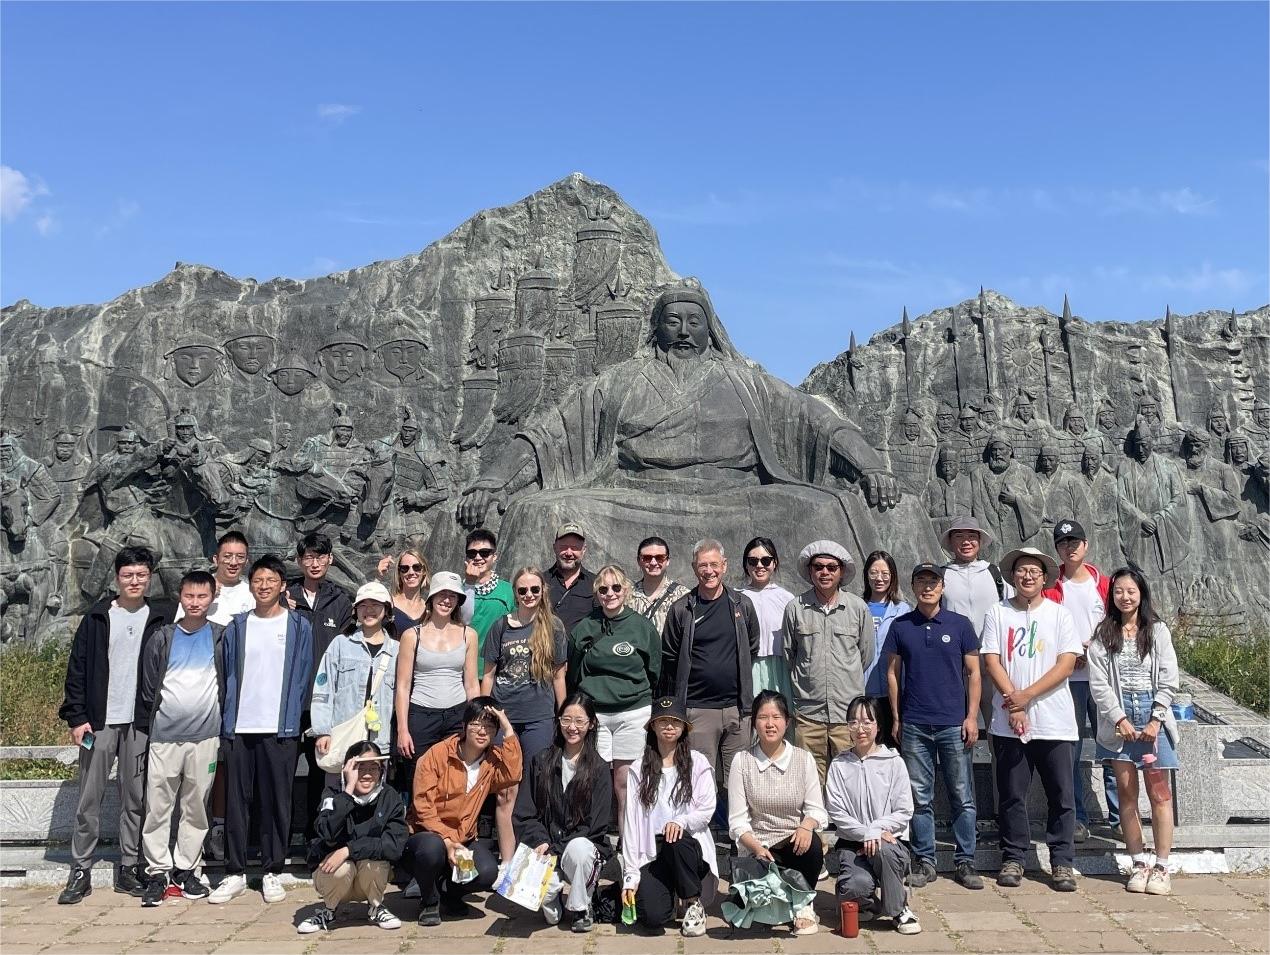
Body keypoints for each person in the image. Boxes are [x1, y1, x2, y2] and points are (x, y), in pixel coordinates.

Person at [58, 546, 176, 904]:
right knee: (89, 797)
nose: (134, 581)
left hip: (140, 723)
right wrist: (77, 718)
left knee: (135, 798)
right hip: (99, 724)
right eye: (128, 575)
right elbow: (77, 669)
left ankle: (129, 866)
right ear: (117, 578)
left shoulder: (161, 616)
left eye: (141, 575)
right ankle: (81, 869)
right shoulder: (97, 617)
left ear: (150, 577)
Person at [209, 554, 315, 905]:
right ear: (250, 585)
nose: (264, 586)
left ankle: (272, 870)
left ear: (283, 585)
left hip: (280, 727)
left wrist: (296, 718)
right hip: (239, 726)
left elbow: (303, 675)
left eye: (271, 580)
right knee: (237, 801)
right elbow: (225, 673)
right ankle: (235, 872)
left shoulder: (299, 626)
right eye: (258, 580)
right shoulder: (237, 627)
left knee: (276, 801)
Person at [981, 547, 1081, 892]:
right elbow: (992, 660)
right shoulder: (997, 612)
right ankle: (1013, 857)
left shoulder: (1059, 614)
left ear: (1044, 578)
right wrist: (1015, 704)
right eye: (1021, 570)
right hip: (1009, 723)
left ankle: (1062, 861)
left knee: (1061, 796)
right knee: (1011, 795)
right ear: (1012, 575)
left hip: (1054, 721)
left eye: (1034, 572)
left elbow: (1066, 664)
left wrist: (1026, 696)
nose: (1027, 576)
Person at [884, 563, 983, 890]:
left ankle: (965, 861)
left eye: (933, 582)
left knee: (962, 795)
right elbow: (893, 674)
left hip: (953, 723)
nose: (928, 587)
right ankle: (925, 861)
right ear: (913, 586)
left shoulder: (960, 624)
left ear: (942, 587)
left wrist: (971, 717)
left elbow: (974, 673)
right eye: (921, 581)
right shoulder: (901, 626)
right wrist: (897, 717)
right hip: (915, 723)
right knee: (919, 797)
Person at [1088, 567, 1180, 896]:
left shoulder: (1157, 630)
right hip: (1120, 720)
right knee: (1127, 795)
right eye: (1118, 592)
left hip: (1152, 714)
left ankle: (1162, 866)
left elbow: (1169, 677)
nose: (1124, 597)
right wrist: (1118, 718)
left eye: (1131, 591)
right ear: (1111, 596)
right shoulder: (1103, 634)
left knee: (1160, 794)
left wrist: (1156, 719)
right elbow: (1099, 684)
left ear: (1141, 594)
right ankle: (1138, 863)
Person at [137, 570, 224, 906]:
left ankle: (186, 869)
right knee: (158, 807)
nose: (195, 602)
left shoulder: (220, 637)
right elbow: (149, 688)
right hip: (165, 737)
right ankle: (157, 872)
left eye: (202, 596)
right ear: (180, 597)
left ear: (212, 598)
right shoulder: (163, 637)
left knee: (195, 807)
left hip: (205, 737)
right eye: (189, 596)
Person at [406, 698, 521, 926]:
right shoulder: (437, 754)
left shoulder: (492, 759)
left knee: (487, 872)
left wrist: (508, 729)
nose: (482, 731)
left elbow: (512, 775)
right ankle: (429, 902)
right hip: (427, 834)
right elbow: (423, 806)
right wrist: (447, 841)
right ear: (464, 725)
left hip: (464, 838)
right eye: (476, 724)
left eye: (489, 726)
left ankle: (449, 894)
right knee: (431, 850)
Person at [481, 566, 568, 866]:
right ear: (515, 594)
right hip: (504, 718)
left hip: (539, 717)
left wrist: (563, 716)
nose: (529, 595)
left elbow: (559, 676)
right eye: (523, 590)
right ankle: (507, 861)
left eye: (534, 589)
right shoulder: (501, 626)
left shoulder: (553, 627)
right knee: (506, 790)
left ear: (543, 591)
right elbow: (489, 674)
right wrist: (486, 714)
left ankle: (534, 857)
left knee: (536, 787)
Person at [661, 539, 760, 798]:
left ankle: (735, 824)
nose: (709, 571)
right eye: (703, 565)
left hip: (737, 709)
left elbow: (751, 647)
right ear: (694, 567)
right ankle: (704, 825)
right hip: (697, 710)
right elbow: (670, 657)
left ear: (724, 565)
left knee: (739, 782)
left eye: (714, 564)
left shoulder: (742, 605)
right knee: (700, 782)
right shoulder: (682, 609)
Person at [567, 564, 661, 834]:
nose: (610, 593)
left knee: (625, 783)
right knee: (592, 779)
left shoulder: (642, 627)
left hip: (633, 713)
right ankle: (592, 840)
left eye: (616, 587)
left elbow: (654, 670)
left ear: (626, 590)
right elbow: (574, 670)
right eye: (603, 589)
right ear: (596, 593)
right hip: (595, 715)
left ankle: (627, 844)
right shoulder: (585, 627)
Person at [727, 690, 827, 934]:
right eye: (763, 717)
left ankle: (803, 903)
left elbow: (817, 810)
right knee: (756, 911)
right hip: (758, 848)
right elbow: (737, 821)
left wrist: (806, 826)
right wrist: (756, 848)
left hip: (794, 844)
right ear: (754, 723)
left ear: (787, 722)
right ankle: (779, 898)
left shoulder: (803, 759)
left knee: (813, 844)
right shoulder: (742, 761)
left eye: (776, 717)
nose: (770, 724)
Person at [513, 691, 613, 933]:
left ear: (591, 724)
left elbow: (595, 825)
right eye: (566, 720)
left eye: (579, 721)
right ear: (558, 721)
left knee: (580, 850)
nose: (572, 727)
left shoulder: (599, 768)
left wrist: (557, 849)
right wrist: (540, 840)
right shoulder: (541, 761)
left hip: (576, 848)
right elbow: (524, 812)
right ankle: (553, 897)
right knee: (549, 911)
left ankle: (581, 908)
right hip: (546, 845)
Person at [1043, 519, 1118, 842]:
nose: (1069, 547)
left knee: (1113, 745)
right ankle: (1077, 818)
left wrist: (1095, 647)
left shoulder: (1105, 584)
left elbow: (1119, 623)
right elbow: (1045, 628)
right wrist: (1071, 652)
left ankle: (1119, 817)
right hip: (1067, 679)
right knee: (1069, 750)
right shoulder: (1050, 586)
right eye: (1063, 543)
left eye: (1075, 541)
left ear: (1085, 545)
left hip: (1104, 677)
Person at [621, 698, 718, 938]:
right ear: (653, 726)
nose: (669, 726)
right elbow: (632, 825)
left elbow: (707, 809)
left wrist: (681, 822)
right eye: (663, 720)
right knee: (652, 918)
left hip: (688, 848)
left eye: (675, 721)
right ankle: (672, 895)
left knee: (675, 839)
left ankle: (693, 901)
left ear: (684, 727)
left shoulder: (698, 762)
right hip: (654, 851)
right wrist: (630, 875)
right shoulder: (639, 768)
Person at [825, 696, 921, 936]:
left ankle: (899, 910)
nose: (860, 728)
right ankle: (869, 904)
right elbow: (835, 810)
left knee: (884, 850)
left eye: (868, 721)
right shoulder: (839, 764)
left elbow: (904, 809)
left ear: (878, 725)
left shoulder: (894, 762)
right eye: (854, 722)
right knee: (854, 887)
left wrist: (877, 830)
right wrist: (866, 833)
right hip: (853, 843)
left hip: (889, 842)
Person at [782, 539, 875, 784]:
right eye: (818, 567)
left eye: (831, 567)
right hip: (808, 714)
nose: (825, 572)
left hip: (847, 714)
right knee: (810, 782)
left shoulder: (858, 608)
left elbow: (865, 655)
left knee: (850, 779)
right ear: (810, 571)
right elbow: (789, 655)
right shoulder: (795, 608)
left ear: (841, 572)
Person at [287, 532, 355, 841]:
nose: (315, 563)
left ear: (330, 560)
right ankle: (280, 837)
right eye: (309, 557)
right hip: (290, 702)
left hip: (324, 705)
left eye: (321, 557)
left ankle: (316, 838)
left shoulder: (340, 601)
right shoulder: (286, 596)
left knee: (322, 771)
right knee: (284, 772)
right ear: (299, 561)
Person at [299, 741, 408, 933]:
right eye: (360, 768)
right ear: (348, 769)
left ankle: (375, 906)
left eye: (373, 768)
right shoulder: (332, 793)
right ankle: (329, 910)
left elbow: (393, 845)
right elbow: (326, 832)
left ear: (381, 771)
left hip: (368, 876)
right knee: (342, 867)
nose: (367, 774)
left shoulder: (389, 797)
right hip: (337, 877)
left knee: (375, 863)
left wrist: (348, 850)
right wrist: (347, 792)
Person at [394, 572, 479, 778]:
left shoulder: (469, 634)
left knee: (454, 780)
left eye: (453, 596)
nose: (447, 600)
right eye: (442, 594)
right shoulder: (411, 635)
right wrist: (402, 730)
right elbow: (403, 686)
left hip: (457, 716)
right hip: (421, 716)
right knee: (420, 778)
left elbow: (471, 684)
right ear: (432, 597)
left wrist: (475, 722)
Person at [310, 582, 400, 771]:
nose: (369, 610)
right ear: (355, 610)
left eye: (375, 605)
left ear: (386, 610)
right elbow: (323, 689)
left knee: (374, 786)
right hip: (343, 739)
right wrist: (322, 731)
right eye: (363, 605)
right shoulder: (340, 644)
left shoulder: (397, 650)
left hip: (380, 742)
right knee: (340, 786)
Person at [738, 537, 796, 709]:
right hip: (747, 666)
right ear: (746, 564)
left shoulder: (787, 599)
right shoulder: (736, 597)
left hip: (779, 668)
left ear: (774, 563)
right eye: (753, 561)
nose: (759, 566)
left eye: (766, 560)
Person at [860, 550, 911, 747]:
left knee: (894, 748)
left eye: (885, 573)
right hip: (864, 691)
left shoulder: (902, 610)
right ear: (866, 575)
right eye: (873, 573)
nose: (879, 578)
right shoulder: (857, 607)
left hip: (895, 693)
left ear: (893, 576)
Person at [460, 528, 516, 677]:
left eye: (484, 553)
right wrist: (469, 584)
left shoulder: (508, 591)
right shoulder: (456, 591)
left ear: (494, 556)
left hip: (498, 671)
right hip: (462, 671)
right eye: (472, 553)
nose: (478, 557)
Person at [626, 536, 691, 636]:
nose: (653, 562)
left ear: (667, 560)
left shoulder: (683, 596)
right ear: (639, 561)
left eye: (659, 558)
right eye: (647, 558)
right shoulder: (626, 595)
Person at [546, 522, 597, 636]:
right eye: (563, 547)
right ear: (554, 548)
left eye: (574, 548)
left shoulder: (596, 584)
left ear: (584, 550)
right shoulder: (540, 582)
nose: (569, 553)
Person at [382, 545, 430, 635]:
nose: (411, 572)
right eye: (405, 568)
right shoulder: (388, 603)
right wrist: (378, 577)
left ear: (424, 571)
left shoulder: (429, 610)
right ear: (399, 573)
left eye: (417, 567)